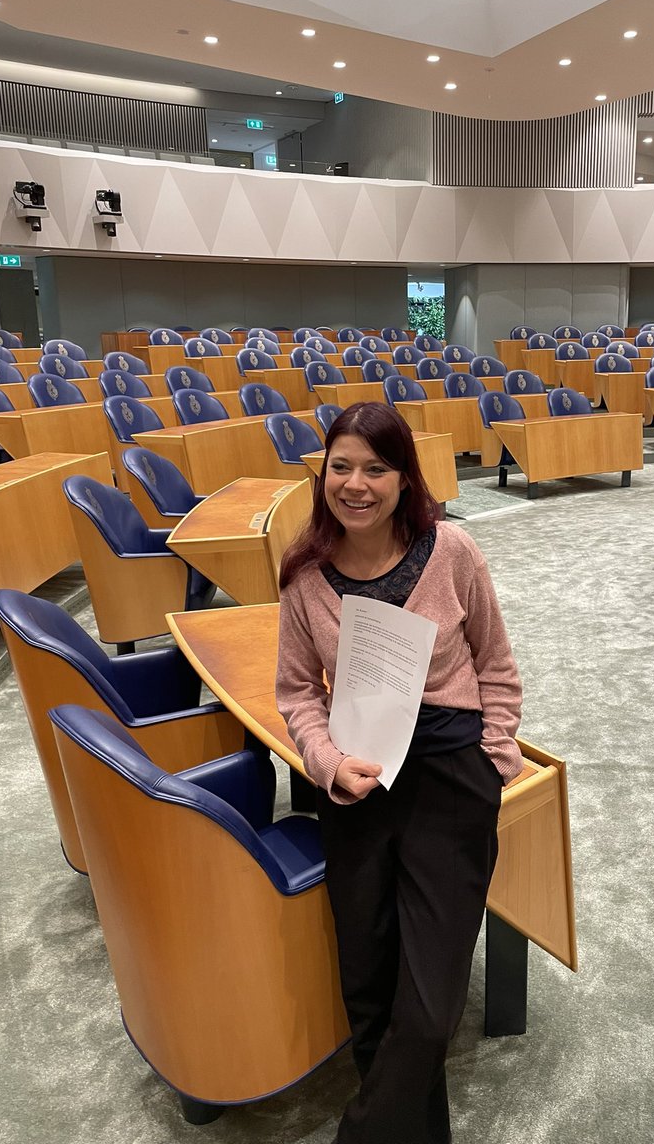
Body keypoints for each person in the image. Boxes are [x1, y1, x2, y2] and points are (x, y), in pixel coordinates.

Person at [276, 401, 523, 1144]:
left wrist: (497, 752)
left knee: (428, 1006)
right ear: (323, 475)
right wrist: (323, 763)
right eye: (340, 467)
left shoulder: (452, 552)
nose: (356, 484)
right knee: (371, 991)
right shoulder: (304, 574)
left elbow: (497, 665)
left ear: (403, 476)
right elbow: (294, 693)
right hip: (358, 781)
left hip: (451, 775)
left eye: (376, 468)